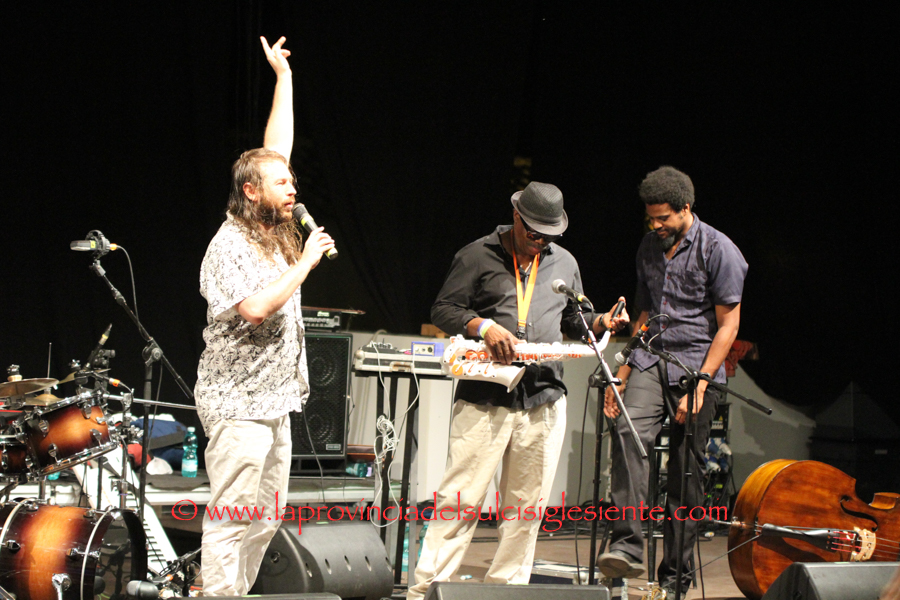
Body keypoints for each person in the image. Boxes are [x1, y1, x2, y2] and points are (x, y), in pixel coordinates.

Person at [408, 182, 629, 599]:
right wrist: (484, 327)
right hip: (485, 398)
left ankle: (505, 592)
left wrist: (602, 322)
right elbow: (444, 309)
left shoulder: (564, 262)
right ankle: (424, 593)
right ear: (516, 216)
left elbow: (574, 320)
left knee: (525, 511)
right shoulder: (476, 255)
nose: (541, 242)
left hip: (544, 398)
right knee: (459, 502)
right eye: (534, 233)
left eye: (549, 235)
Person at [193, 36, 334, 596]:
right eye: (282, 183)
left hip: (275, 400)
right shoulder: (230, 244)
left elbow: (277, 149)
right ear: (251, 192)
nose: (293, 188)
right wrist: (304, 264)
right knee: (232, 517)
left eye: (292, 180)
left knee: (265, 518)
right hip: (237, 403)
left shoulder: (273, 226)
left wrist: (284, 79)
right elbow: (253, 309)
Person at [599, 166, 747, 593]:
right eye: (650, 218)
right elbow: (644, 314)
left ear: (685, 208)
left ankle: (675, 577)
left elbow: (729, 326)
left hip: (697, 366)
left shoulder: (719, 249)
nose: (655, 226)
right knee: (627, 431)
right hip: (651, 359)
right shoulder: (649, 245)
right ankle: (627, 548)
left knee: (686, 473)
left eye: (662, 218)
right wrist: (622, 371)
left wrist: (701, 384)